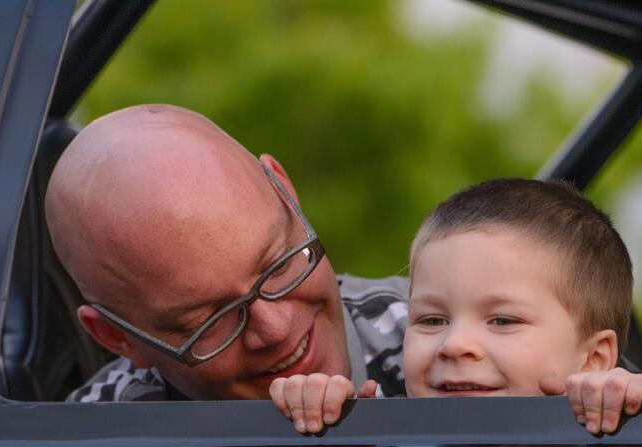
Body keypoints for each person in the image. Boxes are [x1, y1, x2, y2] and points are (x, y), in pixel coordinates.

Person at [47, 104, 407, 402]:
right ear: (118, 337)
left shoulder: (435, 343)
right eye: (209, 319)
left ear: (285, 190)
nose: (276, 329)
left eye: (277, 265)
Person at [271, 178, 642, 435]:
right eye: (432, 319)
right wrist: (324, 414)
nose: (455, 344)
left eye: (503, 320)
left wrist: (620, 407)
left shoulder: (605, 441)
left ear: (593, 360)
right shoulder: (382, 418)